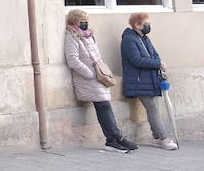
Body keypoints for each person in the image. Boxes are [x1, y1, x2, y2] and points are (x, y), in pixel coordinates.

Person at [64, 9, 137, 152]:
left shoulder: (89, 35)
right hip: (87, 77)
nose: (85, 23)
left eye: (86, 20)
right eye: (82, 20)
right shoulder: (72, 36)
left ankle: (114, 139)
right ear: (74, 21)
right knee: (104, 106)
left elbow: (96, 55)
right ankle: (115, 138)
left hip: (98, 76)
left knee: (104, 106)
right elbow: (72, 60)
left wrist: (101, 71)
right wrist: (90, 73)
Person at [119, 13, 177, 150]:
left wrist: (160, 62)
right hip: (139, 80)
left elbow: (154, 54)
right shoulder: (129, 40)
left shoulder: (145, 39)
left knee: (154, 108)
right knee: (153, 109)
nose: (148, 26)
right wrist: (158, 63)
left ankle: (157, 136)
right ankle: (164, 138)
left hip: (149, 79)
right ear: (137, 24)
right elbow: (136, 60)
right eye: (146, 23)